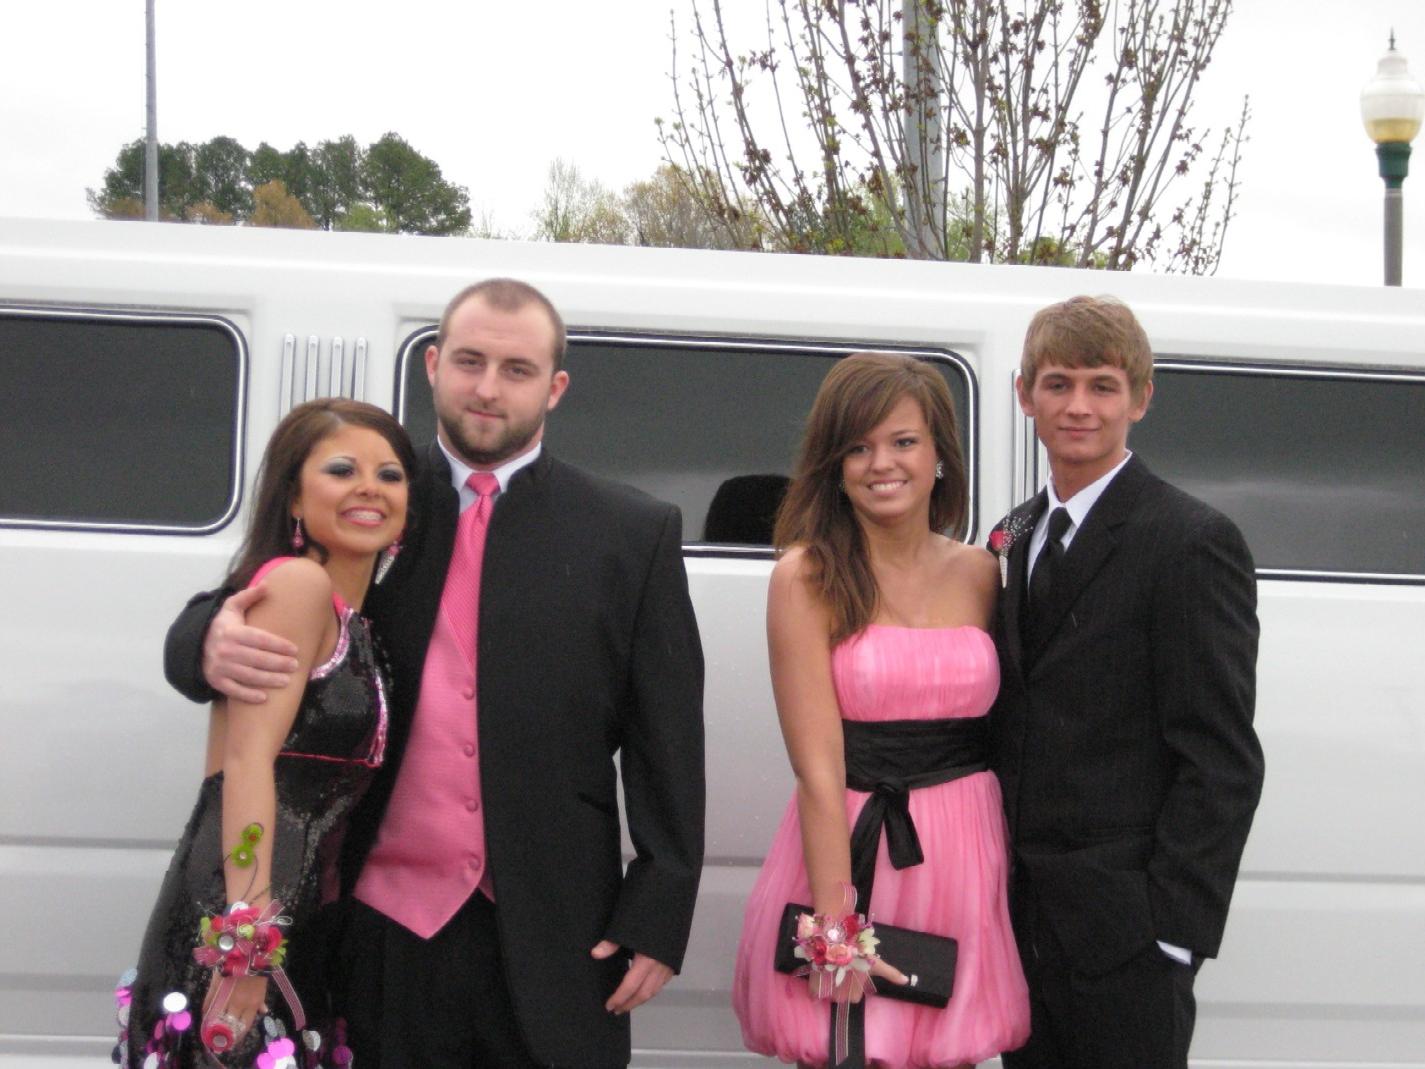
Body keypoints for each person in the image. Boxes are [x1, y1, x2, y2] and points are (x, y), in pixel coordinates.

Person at [162, 278, 705, 1068]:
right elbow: (241, 594)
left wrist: (658, 911)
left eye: (516, 370)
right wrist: (205, 639)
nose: (487, 388)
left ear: (554, 387)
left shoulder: (630, 532)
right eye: (469, 361)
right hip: (378, 928)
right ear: (431, 364)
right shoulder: (369, 496)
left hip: (559, 931)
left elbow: (668, 740)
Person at [988, 296, 1264, 1069]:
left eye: (1103, 385)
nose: (1078, 405)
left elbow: (1221, 758)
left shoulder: (1190, 540)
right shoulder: (1011, 533)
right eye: (1057, 382)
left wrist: (1171, 930)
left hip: (1128, 938)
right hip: (1022, 925)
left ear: (1140, 398)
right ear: (1024, 395)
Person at [733, 353, 1030, 1068]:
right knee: (846, 1049)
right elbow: (815, 770)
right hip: (852, 849)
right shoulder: (805, 576)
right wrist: (836, 931)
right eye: (857, 447)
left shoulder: (984, 573)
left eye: (902, 441)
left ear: (938, 457)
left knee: (950, 1046)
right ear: (833, 465)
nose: (880, 464)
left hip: (966, 852)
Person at [118, 399, 415, 1066]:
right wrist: (245, 944)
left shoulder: (358, 619)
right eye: (343, 468)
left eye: (390, 474)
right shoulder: (297, 586)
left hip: (297, 932)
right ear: (294, 498)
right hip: (238, 932)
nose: (370, 485)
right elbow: (247, 765)